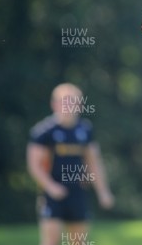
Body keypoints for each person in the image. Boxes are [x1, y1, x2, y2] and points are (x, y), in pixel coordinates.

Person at [27, 83, 114, 245]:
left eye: (74, 102)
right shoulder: (44, 131)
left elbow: (94, 162)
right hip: (52, 195)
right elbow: (34, 166)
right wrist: (51, 187)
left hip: (77, 193)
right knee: (51, 241)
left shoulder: (85, 129)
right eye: (65, 101)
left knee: (79, 242)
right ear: (54, 104)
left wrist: (103, 192)